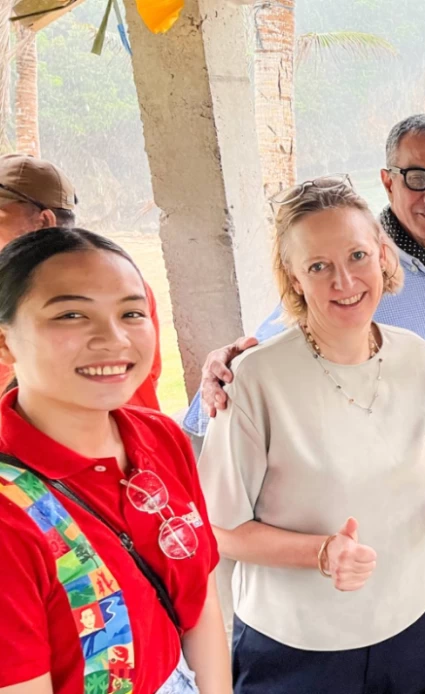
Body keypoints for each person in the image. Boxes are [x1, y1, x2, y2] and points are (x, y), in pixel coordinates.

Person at [184, 114, 425, 638]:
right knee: (405, 643)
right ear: (388, 180)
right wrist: (222, 365)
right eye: (417, 177)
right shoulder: (352, 268)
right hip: (390, 514)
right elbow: (277, 345)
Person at [0, 228, 230, 694]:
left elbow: (198, 600)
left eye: (131, 312)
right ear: (5, 344)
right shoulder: (9, 514)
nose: (114, 338)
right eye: (71, 314)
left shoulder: (159, 436)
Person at [0, 154, 162, 410]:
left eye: (131, 314)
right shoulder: (126, 283)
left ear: (43, 222)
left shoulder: (18, 301)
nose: (115, 339)